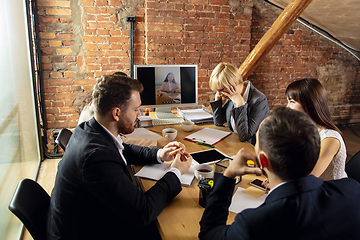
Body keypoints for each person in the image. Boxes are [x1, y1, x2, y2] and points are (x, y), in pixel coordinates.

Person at [47, 74, 192, 240]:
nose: (139, 114)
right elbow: (143, 212)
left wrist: (160, 154)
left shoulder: (89, 129)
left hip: (86, 218)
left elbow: (123, 150)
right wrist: (175, 172)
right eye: (136, 109)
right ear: (116, 113)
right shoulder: (96, 157)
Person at [199, 107, 360, 240]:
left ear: (262, 161)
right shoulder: (352, 190)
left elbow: (208, 233)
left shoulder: (252, 224)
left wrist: (228, 175)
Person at [75, 72, 171, 148]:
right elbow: (120, 143)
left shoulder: (97, 107)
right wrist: (155, 143)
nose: (138, 114)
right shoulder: (97, 117)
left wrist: (158, 155)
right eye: (135, 109)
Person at [285, 78, 347, 180]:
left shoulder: (330, 139)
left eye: (291, 101)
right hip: (309, 189)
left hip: (330, 192)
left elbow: (307, 179)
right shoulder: (304, 130)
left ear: (309, 104)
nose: (287, 107)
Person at [209, 62, 270, 145]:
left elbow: (245, 136)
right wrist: (217, 99)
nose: (220, 93)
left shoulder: (259, 100)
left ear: (233, 84)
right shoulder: (231, 96)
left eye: (221, 90)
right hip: (236, 145)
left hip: (253, 150)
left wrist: (240, 104)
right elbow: (219, 122)